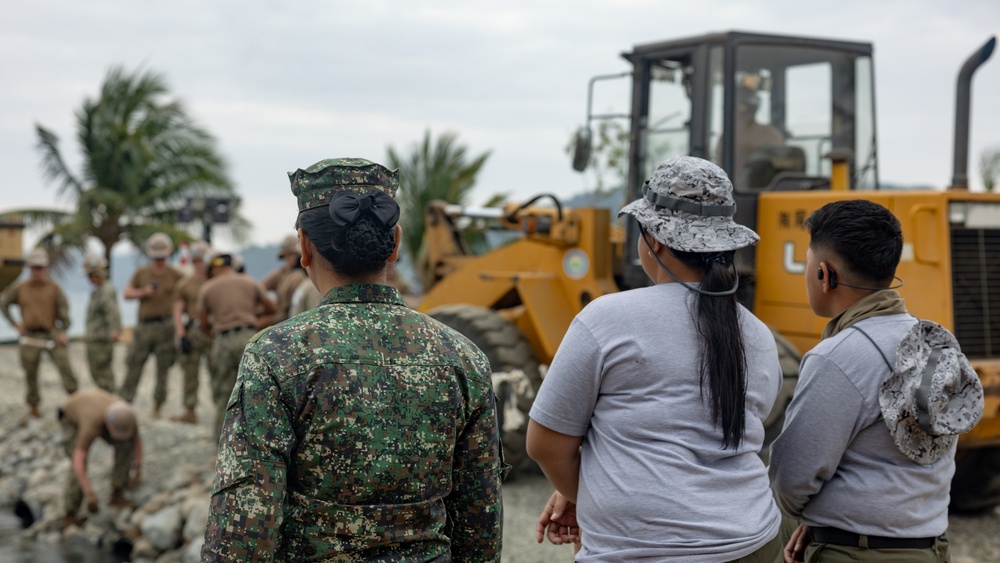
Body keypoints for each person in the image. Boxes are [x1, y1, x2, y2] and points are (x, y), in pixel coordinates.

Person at [202, 158, 505, 560]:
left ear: (304, 248)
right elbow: (480, 519)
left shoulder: (276, 355)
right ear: (394, 244)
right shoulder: (464, 358)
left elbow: (244, 527)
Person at [527, 156, 783, 562]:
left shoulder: (606, 318)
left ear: (656, 240)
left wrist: (588, 496)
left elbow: (545, 444)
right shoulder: (757, 334)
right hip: (752, 542)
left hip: (643, 551)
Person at [769, 200, 980, 563]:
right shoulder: (934, 340)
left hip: (853, 553)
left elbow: (791, 480)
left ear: (825, 274)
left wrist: (821, 521)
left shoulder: (836, 356)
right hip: (930, 548)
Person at [197, 252, 275, 439]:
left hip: (222, 340)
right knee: (254, 389)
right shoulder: (250, 282)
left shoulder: (207, 288)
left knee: (224, 391)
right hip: (248, 338)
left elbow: (202, 322)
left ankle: (221, 442)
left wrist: (214, 331)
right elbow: (271, 308)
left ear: (214, 268)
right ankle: (257, 440)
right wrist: (253, 319)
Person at [1, 248, 78, 422]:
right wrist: (14, 324)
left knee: (66, 368)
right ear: (29, 268)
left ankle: (76, 403)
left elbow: (65, 316)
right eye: (34, 267)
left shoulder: (54, 288)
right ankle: (34, 408)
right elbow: (3, 303)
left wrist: (62, 332)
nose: (37, 271)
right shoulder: (20, 288)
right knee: (30, 373)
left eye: (40, 267)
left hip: (51, 334)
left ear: (46, 267)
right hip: (29, 335)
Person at [119, 233, 184, 417]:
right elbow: (127, 293)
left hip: (166, 325)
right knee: (134, 363)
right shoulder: (142, 273)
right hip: (144, 326)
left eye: (162, 257)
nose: (159, 261)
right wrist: (144, 292)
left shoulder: (176, 274)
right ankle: (125, 401)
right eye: (156, 257)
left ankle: (157, 406)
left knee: (163, 368)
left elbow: (187, 294)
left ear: (168, 255)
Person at [59, 388, 143, 528]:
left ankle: (117, 492)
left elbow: (137, 442)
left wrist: (138, 469)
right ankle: (70, 513)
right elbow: (78, 460)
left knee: (126, 444)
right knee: (77, 465)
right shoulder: (91, 424)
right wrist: (89, 493)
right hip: (71, 415)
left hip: (104, 413)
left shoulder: (128, 417)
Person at [171, 241, 212, 424]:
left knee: (218, 371)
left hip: (212, 331)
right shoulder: (184, 284)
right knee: (190, 371)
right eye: (196, 260)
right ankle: (190, 409)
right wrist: (181, 334)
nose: (198, 264)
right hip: (193, 331)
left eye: (201, 260)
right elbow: (178, 310)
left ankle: (223, 407)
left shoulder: (214, 282)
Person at [83, 253, 122, 393]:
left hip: (100, 340)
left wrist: (115, 330)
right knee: (99, 374)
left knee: (103, 374)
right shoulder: (99, 290)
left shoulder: (105, 291)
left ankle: (110, 403)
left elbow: (112, 312)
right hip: (96, 339)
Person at [260, 233, 307, 324]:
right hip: (285, 318)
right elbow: (259, 288)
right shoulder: (282, 273)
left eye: (292, 255)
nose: (289, 259)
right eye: (287, 256)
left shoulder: (306, 273)